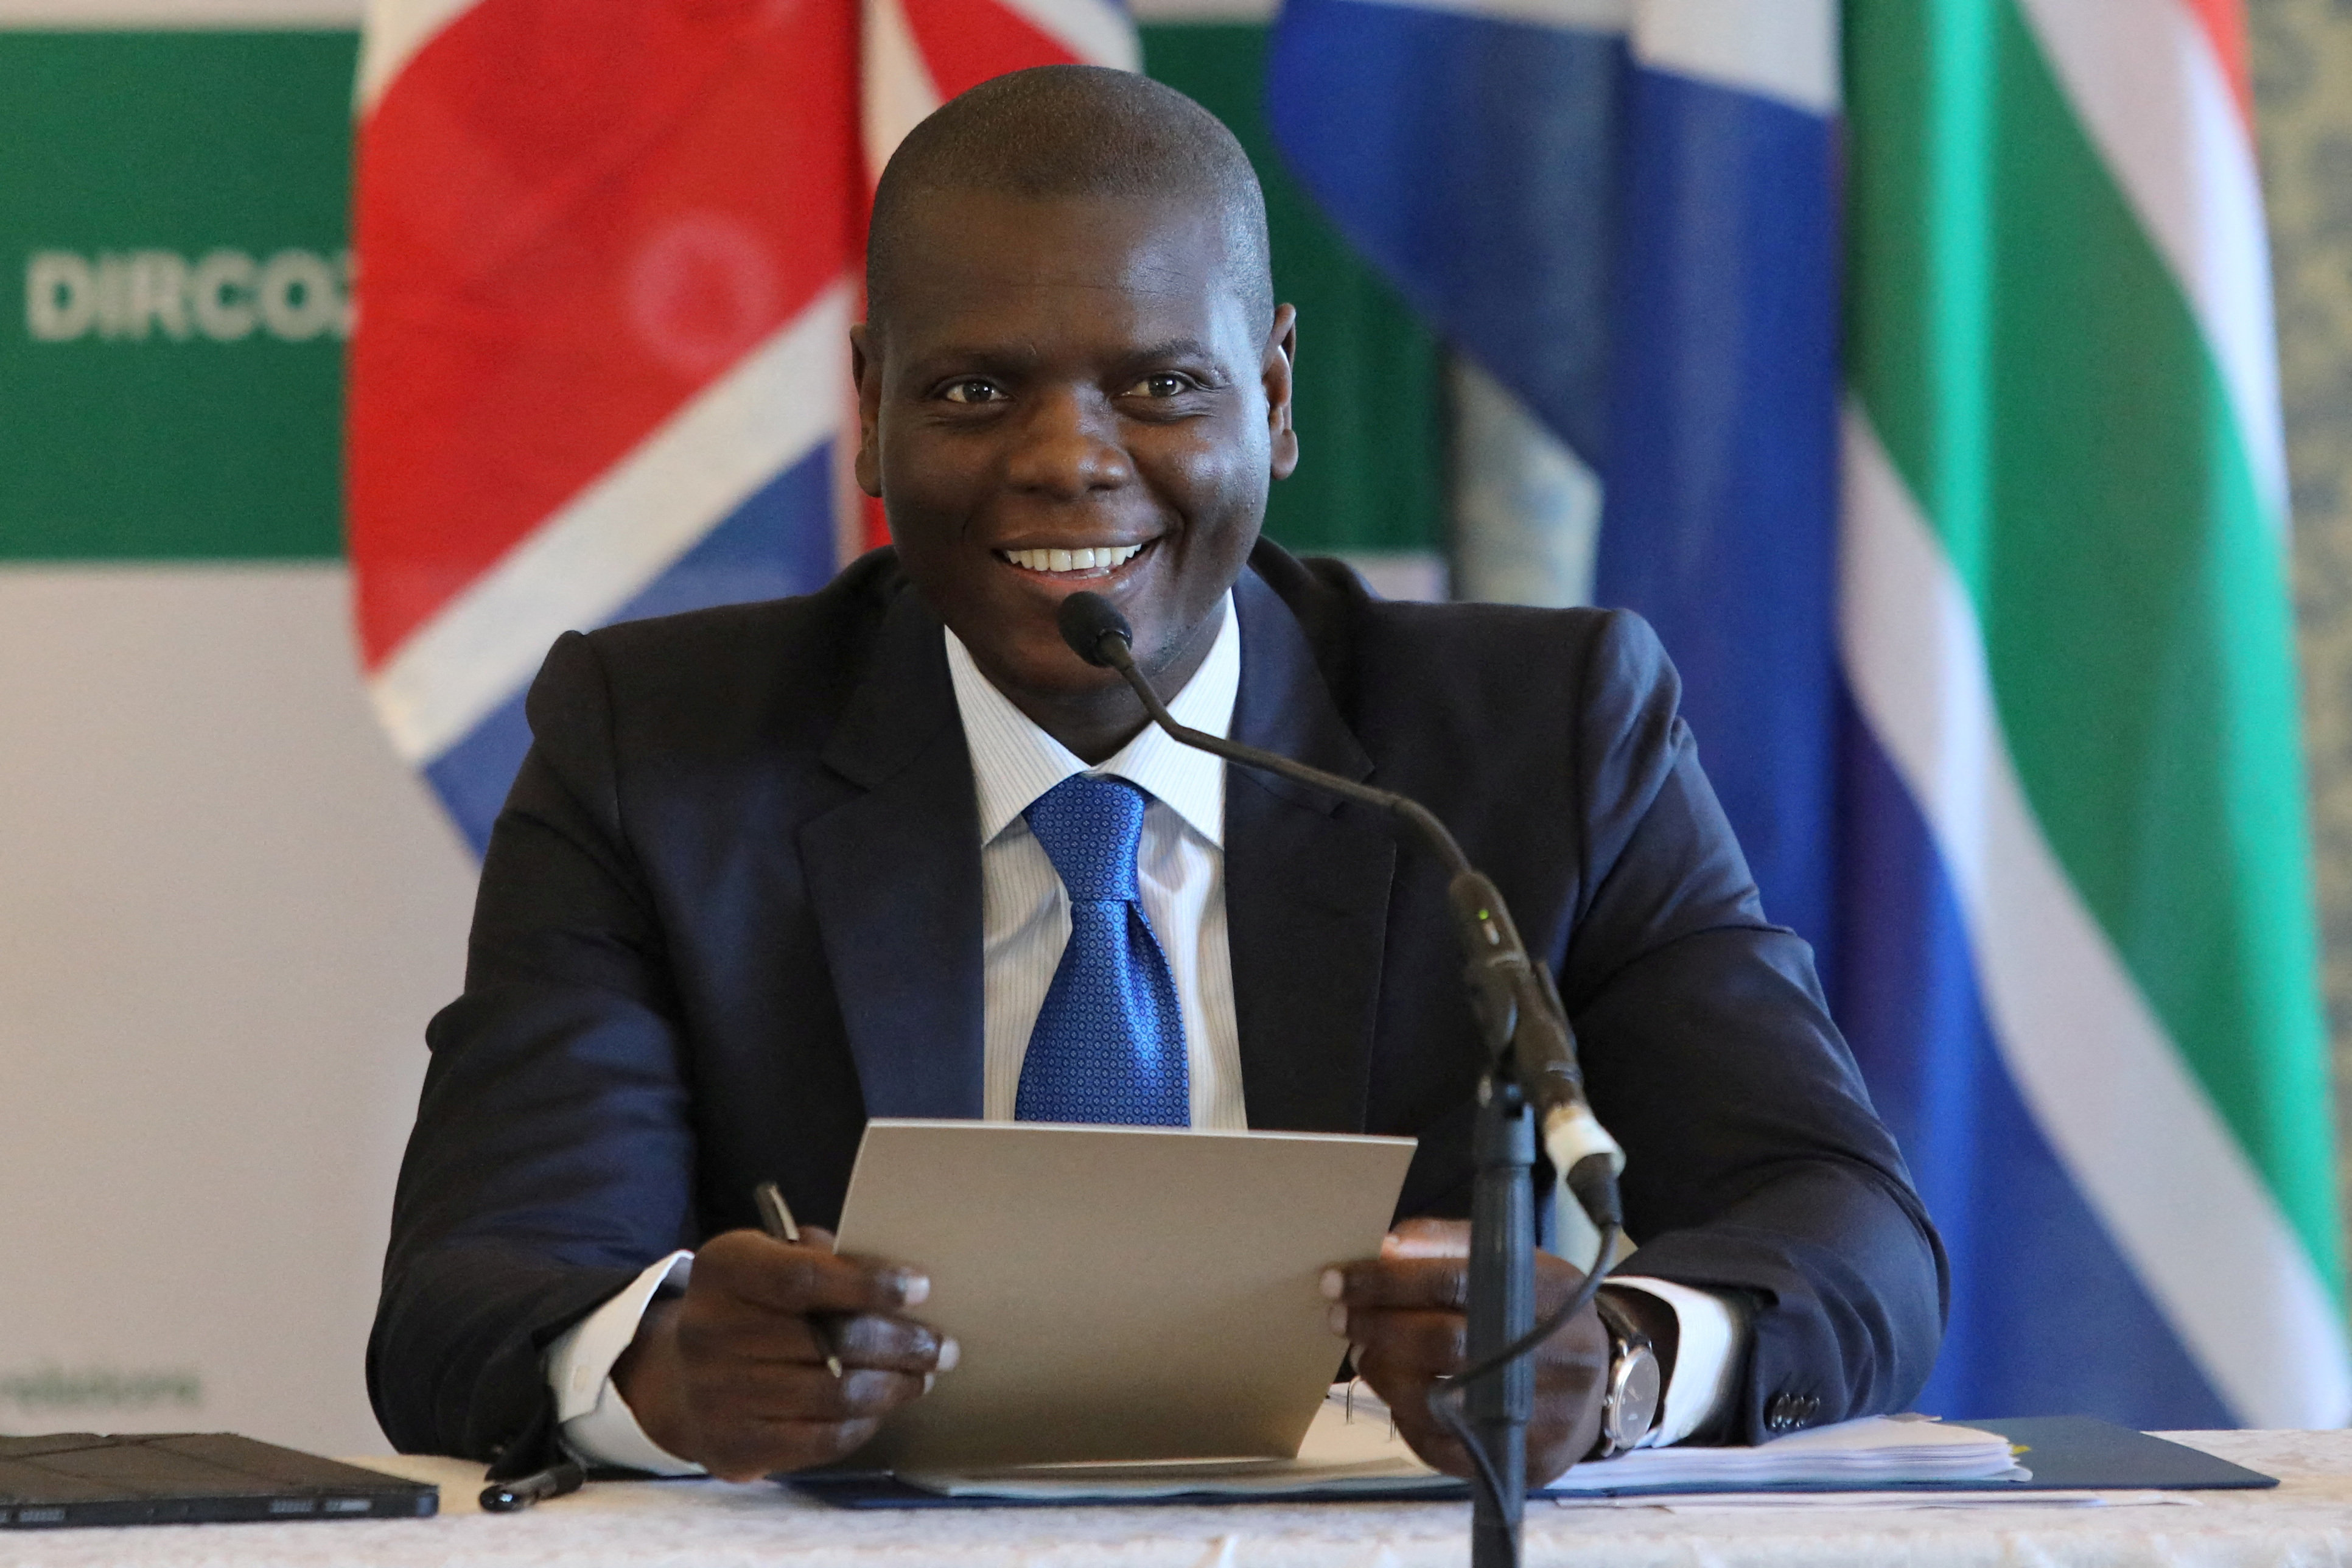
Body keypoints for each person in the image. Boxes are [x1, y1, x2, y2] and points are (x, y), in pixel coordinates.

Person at [369, 65, 1945, 1485]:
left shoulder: (1540, 735)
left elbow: (1850, 1234)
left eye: (1161, 385)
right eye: (977, 390)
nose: (1068, 457)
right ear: (869, 411)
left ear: (1271, 393)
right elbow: (470, 1297)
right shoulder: (664, 746)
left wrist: (1622, 1368)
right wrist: (660, 1370)